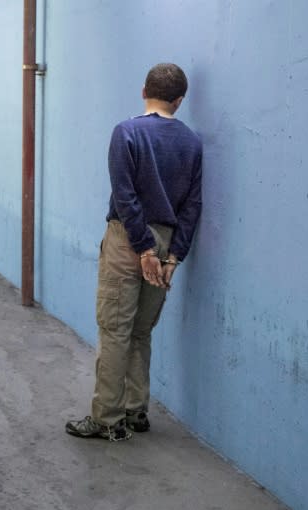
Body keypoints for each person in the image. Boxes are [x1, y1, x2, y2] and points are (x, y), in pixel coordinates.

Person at [66, 63, 203, 441]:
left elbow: (124, 194)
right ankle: (136, 410)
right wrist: (174, 256)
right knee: (142, 331)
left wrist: (141, 246)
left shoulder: (126, 132)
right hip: (166, 241)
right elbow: (192, 205)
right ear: (179, 101)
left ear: (144, 91)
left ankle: (107, 419)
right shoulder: (192, 143)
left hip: (128, 239)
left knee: (115, 331)